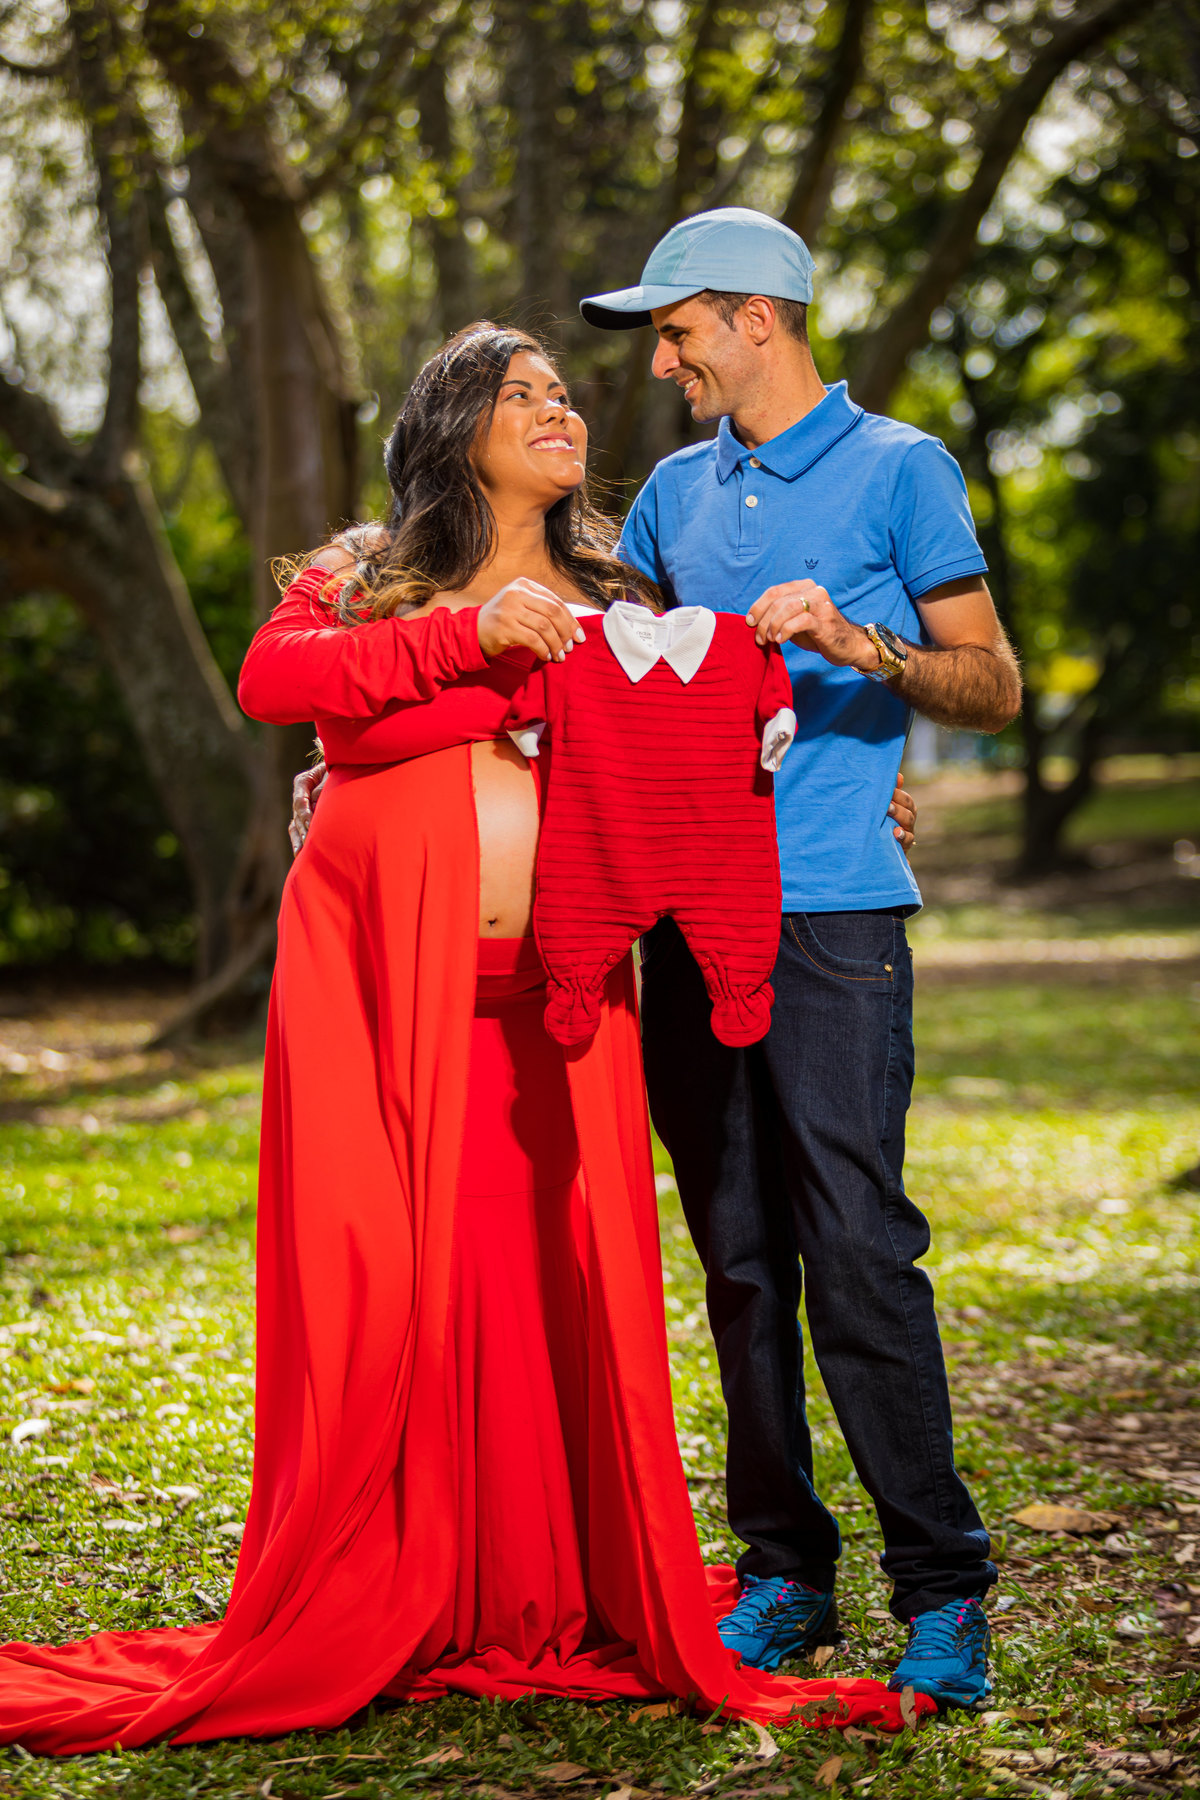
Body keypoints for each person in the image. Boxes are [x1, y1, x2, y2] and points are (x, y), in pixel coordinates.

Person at [0, 325, 929, 1753]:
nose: (560, 409)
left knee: (554, 1284)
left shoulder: (622, 588)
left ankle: (539, 1578)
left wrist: (840, 787)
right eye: (524, 393)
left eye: (566, 393)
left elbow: (710, 733)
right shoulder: (368, 570)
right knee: (384, 1280)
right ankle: (384, 1576)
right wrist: (465, 635)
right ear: (454, 424)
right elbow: (275, 681)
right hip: (377, 975)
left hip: (565, 997)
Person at [579, 207, 1022, 1708]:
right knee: (739, 1259)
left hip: (832, 915)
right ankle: (782, 1574)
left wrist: (857, 648)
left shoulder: (903, 469)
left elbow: (995, 682)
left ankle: (943, 1588)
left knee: (858, 1250)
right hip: (685, 925)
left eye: (678, 326)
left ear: (756, 317)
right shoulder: (667, 503)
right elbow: (621, 694)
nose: (664, 355)